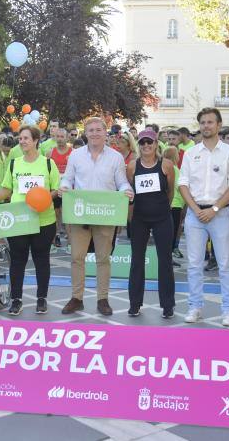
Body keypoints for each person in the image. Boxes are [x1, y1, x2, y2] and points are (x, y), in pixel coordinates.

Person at [59, 116, 134, 316]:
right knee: (77, 258)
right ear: (86, 133)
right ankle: (77, 298)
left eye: (98, 130)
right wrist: (64, 187)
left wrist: (127, 190)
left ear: (105, 132)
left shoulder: (116, 157)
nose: (94, 133)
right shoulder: (75, 155)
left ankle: (103, 299)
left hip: (105, 214)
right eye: (90, 130)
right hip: (80, 213)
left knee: (103, 259)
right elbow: (67, 179)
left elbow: (122, 182)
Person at [179, 108, 229, 326]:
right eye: (203, 122)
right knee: (194, 264)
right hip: (194, 214)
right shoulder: (191, 153)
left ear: (218, 124)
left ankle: (228, 310)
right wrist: (196, 209)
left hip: (220, 214)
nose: (206, 126)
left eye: (210, 122)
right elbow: (183, 184)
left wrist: (214, 209)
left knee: (225, 264)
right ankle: (195, 306)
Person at [0, 125, 60, 316]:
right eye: (20, 138)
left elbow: (55, 189)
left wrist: (45, 199)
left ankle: (41, 299)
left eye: (26, 138)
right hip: (19, 219)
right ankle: (16, 300)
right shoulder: (14, 163)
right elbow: (6, 189)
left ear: (36, 140)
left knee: (41, 260)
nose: (22, 141)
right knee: (18, 261)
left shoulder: (48, 164)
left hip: (43, 220)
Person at [127, 129, 176, 318]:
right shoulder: (132, 166)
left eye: (150, 142)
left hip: (162, 218)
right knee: (137, 262)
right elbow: (131, 193)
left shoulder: (167, 165)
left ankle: (168, 305)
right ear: (139, 145)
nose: (146, 146)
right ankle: (134, 304)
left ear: (156, 144)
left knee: (165, 262)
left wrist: (163, 209)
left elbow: (170, 192)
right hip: (139, 219)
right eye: (142, 143)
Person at [49, 128, 72, 247]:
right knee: (56, 213)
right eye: (57, 136)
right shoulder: (51, 152)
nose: (59, 139)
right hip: (55, 187)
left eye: (62, 137)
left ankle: (70, 240)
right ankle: (56, 235)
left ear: (67, 138)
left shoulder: (72, 152)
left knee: (67, 213)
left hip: (68, 188)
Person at [163, 146, 185, 262]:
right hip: (175, 204)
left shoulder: (167, 167)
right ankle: (169, 258)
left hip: (172, 204)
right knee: (172, 232)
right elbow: (179, 186)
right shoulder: (174, 168)